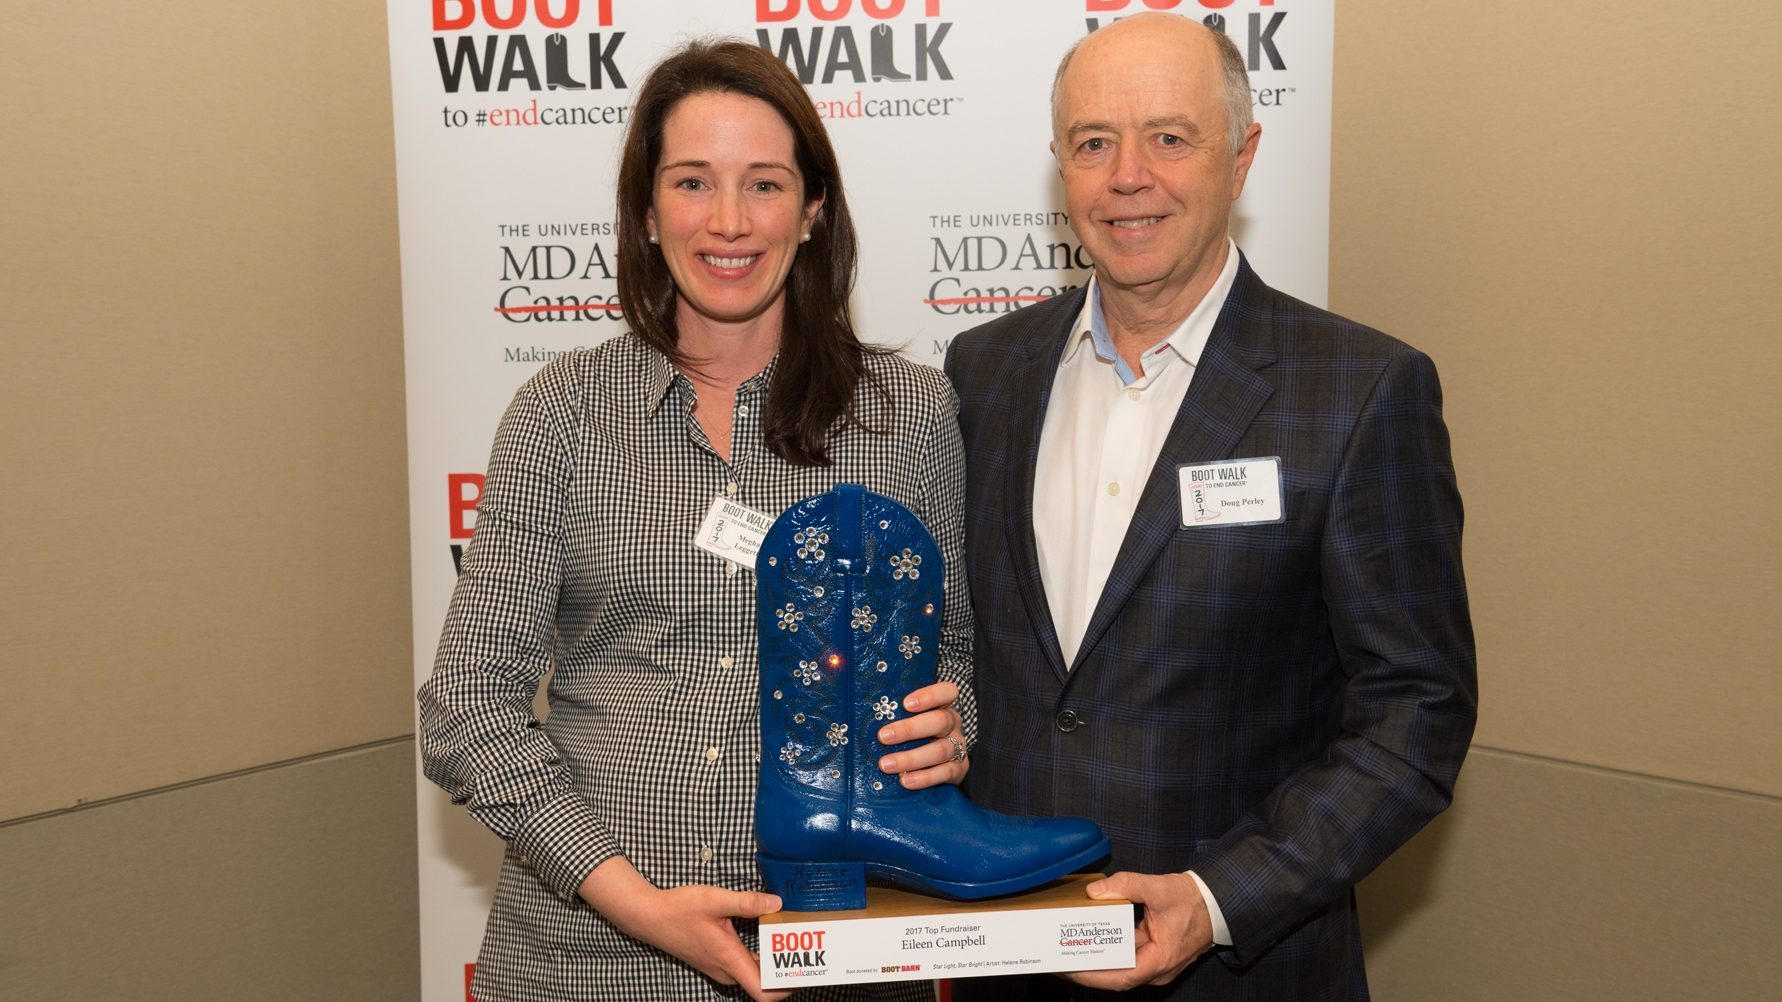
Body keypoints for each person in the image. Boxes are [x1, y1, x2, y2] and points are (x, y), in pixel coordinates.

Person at [419, 39, 973, 1002]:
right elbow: (468, 707)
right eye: (691, 182)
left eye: (764, 184)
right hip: (592, 958)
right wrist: (639, 903)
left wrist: (952, 721)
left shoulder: (907, 414)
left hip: (835, 953)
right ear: (646, 210)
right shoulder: (563, 413)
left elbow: (956, 655)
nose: (728, 221)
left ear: (812, 212)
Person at [944, 14, 1478, 1000]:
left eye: (1170, 137)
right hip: (1005, 959)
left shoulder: (1360, 390)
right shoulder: (982, 373)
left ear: (1241, 157)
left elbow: (1417, 711)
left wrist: (1220, 893)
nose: (1127, 175)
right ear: (1059, 167)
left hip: (1244, 968)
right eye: (1092, 142)